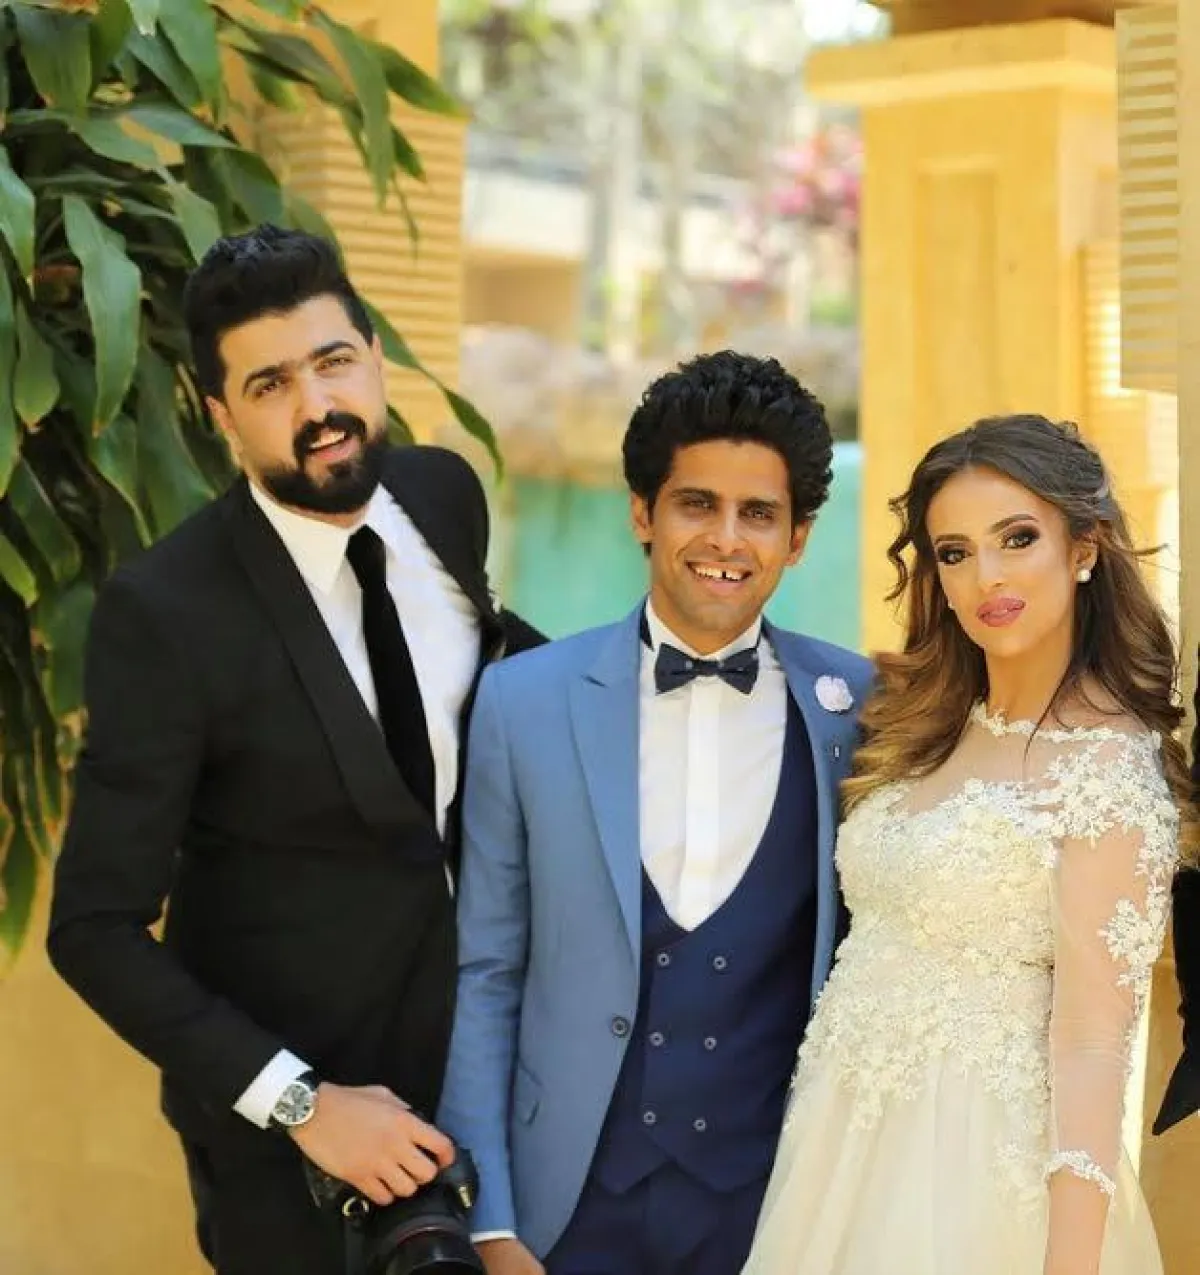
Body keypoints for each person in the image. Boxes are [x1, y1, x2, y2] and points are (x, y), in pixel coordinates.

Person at [46, 225, 542, 1275]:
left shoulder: (443, 495)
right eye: (270, 385)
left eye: (333, 362)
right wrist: (303, 1104)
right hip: (292, 1151)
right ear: (221, 416)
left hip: (484, 1088)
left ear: (375, 356)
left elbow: (500, 679)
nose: (318, 407)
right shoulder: (166, 614)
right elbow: (92, 929)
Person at [436, 351, 874, 1275]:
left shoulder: (860, 707)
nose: (726, 539)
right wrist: (489, 1220)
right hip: (567, 1211)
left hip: (774, 1209)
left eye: (758, 513)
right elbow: (487, 971)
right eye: (696, 504)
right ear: (643, 512)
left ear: (798, 537)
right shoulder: (523, 700)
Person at [741, 413, 1190, 1275]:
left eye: (1017, 538)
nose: (988, 577)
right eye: (955, 551)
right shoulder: (923, 724)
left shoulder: (1107, 771)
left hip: (976, 1176)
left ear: (1084, 546)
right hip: (838, 1149)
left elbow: (1094, 1044)